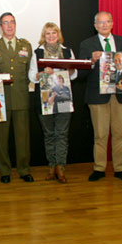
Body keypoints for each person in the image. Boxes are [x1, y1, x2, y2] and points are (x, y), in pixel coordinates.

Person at [80, 11, 122, 182]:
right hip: (97, 96)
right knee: (100, 134)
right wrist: (91, 60)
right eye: (100, 22)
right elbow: (80, 74)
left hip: (119, 94)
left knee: (120, 133)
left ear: (112, 23)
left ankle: (120, 168)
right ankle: (99, 168)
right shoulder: (87, 44)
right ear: (95, 25)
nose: (104, 25)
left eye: (107, 22)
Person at [0, 12, 34, 183]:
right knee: (1, 138)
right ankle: (4, 171)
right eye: (5, 23)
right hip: (0, 99)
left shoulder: (26, 46)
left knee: (23, 138)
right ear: (0, 27)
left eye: (12, 22)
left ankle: (24, 169)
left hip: (21, 97)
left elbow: (30, 71)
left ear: (15, 24)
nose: (9, 26)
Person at [28, 22, 78, 183]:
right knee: (49, 134)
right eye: (48, 33)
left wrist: (70, 70)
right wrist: (42, 73)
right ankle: (51, 166)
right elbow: (31, 76)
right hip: (45, 99)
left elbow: (74, 74)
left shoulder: (67, 51)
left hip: (63, 97)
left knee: (62, 134)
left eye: (54, 33)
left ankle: (61, 168)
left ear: (58, 35)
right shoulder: (37, 52)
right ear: (44, 36)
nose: (51, 36)